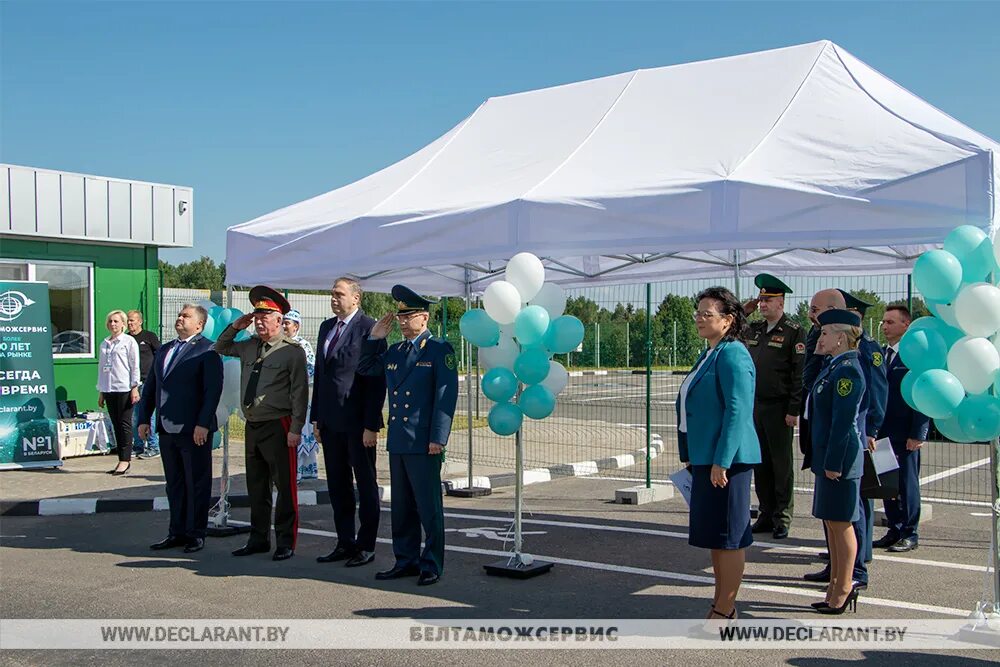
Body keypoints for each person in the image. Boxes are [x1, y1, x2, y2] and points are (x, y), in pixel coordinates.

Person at [359, 285, 458, 586]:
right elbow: (366, 369)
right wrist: (374, 338)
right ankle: (406, 560)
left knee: (428, 507)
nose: (402, 321)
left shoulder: (439, 350)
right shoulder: (395, 351)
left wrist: (438, 438)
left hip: (424, 441)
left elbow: (445, 396)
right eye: (400, 316)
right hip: (400, 440)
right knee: (402, 507)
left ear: (424, 318)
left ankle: (431, 564)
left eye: (409, 315)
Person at [675, 286, 761, 620]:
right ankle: (721, 601)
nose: (698, 318)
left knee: (729, 536)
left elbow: (738, 410)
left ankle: (725, 609)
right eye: (697, 312)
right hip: (705, 459)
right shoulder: (710, 352)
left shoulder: (733, 353)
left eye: (706, 314)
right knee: (715, 535)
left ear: (727, 320)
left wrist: (721, 460)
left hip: (727, 463)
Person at [215, 286, 309, 561]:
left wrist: (295, 429)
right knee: (257, 486)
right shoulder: (248, 345)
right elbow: (220, 347)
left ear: (279, 320)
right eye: (256, 315)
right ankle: (258, 539)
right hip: (253, 424)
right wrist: (235, 326)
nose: (258, 320)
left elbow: (300, 392)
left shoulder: (291, 352)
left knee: (285, 486)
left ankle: (285, 541)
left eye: (265, 316)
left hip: (278, 424)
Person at [136, 304, 224, 553]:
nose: (180, 318)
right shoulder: (165, 349)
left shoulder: (208, 349)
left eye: (186, 316)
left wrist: (202, 424)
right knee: (174, 483)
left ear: (199, 324)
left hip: (193, 429)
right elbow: (152, 387)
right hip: (166, 428)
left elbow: (212, 392)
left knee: (197, 482)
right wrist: (144, 418)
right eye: (179, 315)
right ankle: (176, 531)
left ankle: (196, 533)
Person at [313, 278, 387, 568]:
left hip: (358, 423)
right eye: (332, 294)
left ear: (356, 298)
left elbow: (376, 380)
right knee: (338, 485)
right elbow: (321, 375)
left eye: (339, 294)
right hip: (330, 422)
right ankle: (344, 542)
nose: (334, 298)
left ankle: (366, 545)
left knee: (365, 484)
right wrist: (316, 417)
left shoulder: (370, 327)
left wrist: (371, 424)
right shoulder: (326, 328)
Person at [807, 309, 866, 614]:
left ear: (841, 337)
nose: (821, 336)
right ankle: (834, 585)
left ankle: (844, 587)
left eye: (826, 332)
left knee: (842, 525)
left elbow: (842, 423)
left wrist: (833, 462)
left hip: (840, 460)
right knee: (831, 523)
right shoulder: (834, 366)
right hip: (828, 458)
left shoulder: (848, 370)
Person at [745, 274, 806, 540]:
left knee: (781, 465)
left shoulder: (793, 331)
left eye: (768, 300)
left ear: (781, 303)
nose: (762, 304)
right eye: (760, 299)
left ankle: (782, 517)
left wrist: (794, 409)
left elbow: (798, 373)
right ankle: (766, 513)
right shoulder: (755, 329)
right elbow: (730, 330)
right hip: (755, 406)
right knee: (761, 464)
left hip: (780, 407)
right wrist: (742, 312)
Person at [874, 304, 929, 553]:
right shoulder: (882, 354)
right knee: (887, 482)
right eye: (884, 322)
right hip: (883, 430)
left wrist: (918, 432)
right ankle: (894, 528)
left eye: (890, 322)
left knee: (907, 484)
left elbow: (924, 394)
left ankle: (909, 532)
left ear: (906, 325)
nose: (885, 326)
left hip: (904, 431)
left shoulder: (914, 356)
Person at [97, 310, 140, 475]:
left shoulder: (128, 341)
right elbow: (101, 368)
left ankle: (125, 460)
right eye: (110, 322)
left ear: (123, 324)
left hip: (124, 387)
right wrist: (101, 391)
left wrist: (134, 387)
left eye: (116, 321)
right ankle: (120, 458)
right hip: (109, 388)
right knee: (115, 423)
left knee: (124, 424)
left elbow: (134, 365)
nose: (113, 324)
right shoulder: (104, 343)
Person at [281, 309, 319, 482]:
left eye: (287, 323)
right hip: (281, 399)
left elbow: (310, 370)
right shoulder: (278, 344)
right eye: (282, 322)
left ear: (296, 326)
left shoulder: (302, 345)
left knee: (297, 433)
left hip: (298, 399)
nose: (283, 326)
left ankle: (299, 471)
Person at [127, 310, 161, 459]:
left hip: (148, 382)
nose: (130, 323)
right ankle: (138, 446)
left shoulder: (149, 337)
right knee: (135, 416)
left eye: (132, 320)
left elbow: (160, 354)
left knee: (150, 415)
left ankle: (154, 446)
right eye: (128, 320)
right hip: (131, 383)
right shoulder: (126, 339)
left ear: (140, 321)